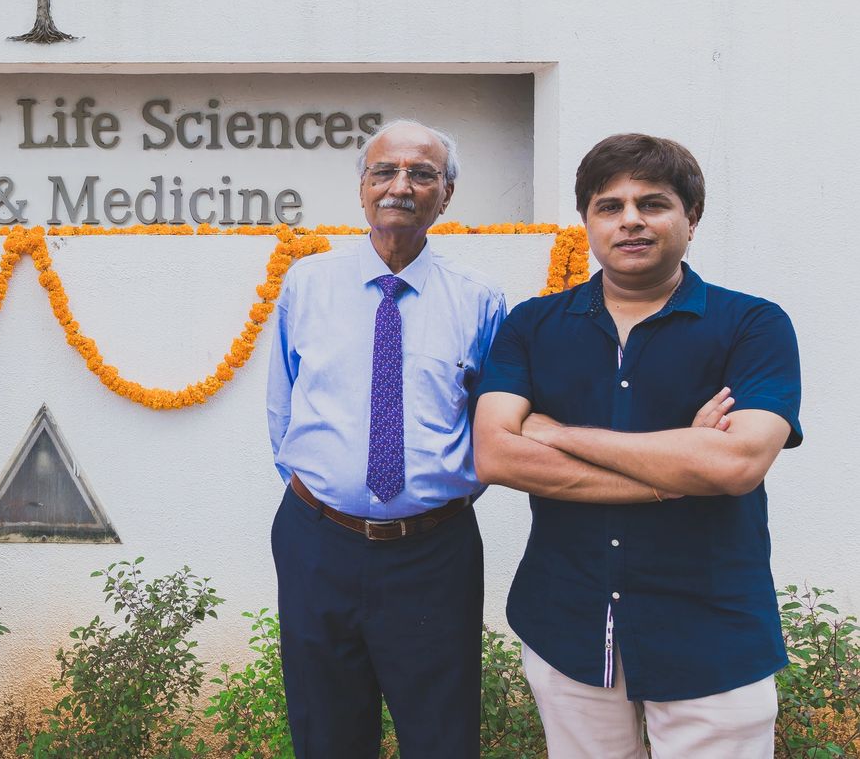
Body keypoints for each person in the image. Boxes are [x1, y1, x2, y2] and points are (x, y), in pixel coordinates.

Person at [475, 133, 801, 759]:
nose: (630, 220)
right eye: (609, 205)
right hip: (567, 625)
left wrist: (558, 433)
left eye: (653, 204)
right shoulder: (532, 326)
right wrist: (682, 464)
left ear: (691, 219)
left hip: (712, 631)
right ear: (587, 221)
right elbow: (496, 456)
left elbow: (737, 463)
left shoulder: (753, 325)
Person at [266, 119, 507, 758]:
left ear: (446, 195)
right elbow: (282, 404)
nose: (401, 186)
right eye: (385, 172)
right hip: (318, 542)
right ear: (363, 188)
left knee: (442, 737)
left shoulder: (480, 301)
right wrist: (323, 498)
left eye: (422, 174)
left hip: (434, 552)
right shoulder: (306, 284)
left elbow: (492, 420)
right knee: (327, 735)